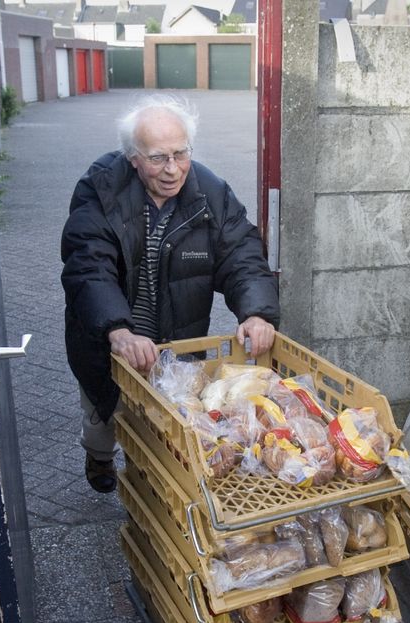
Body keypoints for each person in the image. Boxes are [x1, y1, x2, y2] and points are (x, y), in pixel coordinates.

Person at [60, 95, 280, 493]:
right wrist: (118, 330)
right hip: (111, 343)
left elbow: (242, 254)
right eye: (158, 158)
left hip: (178, 341)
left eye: (181, 154)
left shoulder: (211, 194)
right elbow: (89, 267)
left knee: (172, 431)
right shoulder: (100, 191)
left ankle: (154, 489)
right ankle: (99, 455)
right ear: (133, 158)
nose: (172, 169)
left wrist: (257, 312)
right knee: (102, 416)